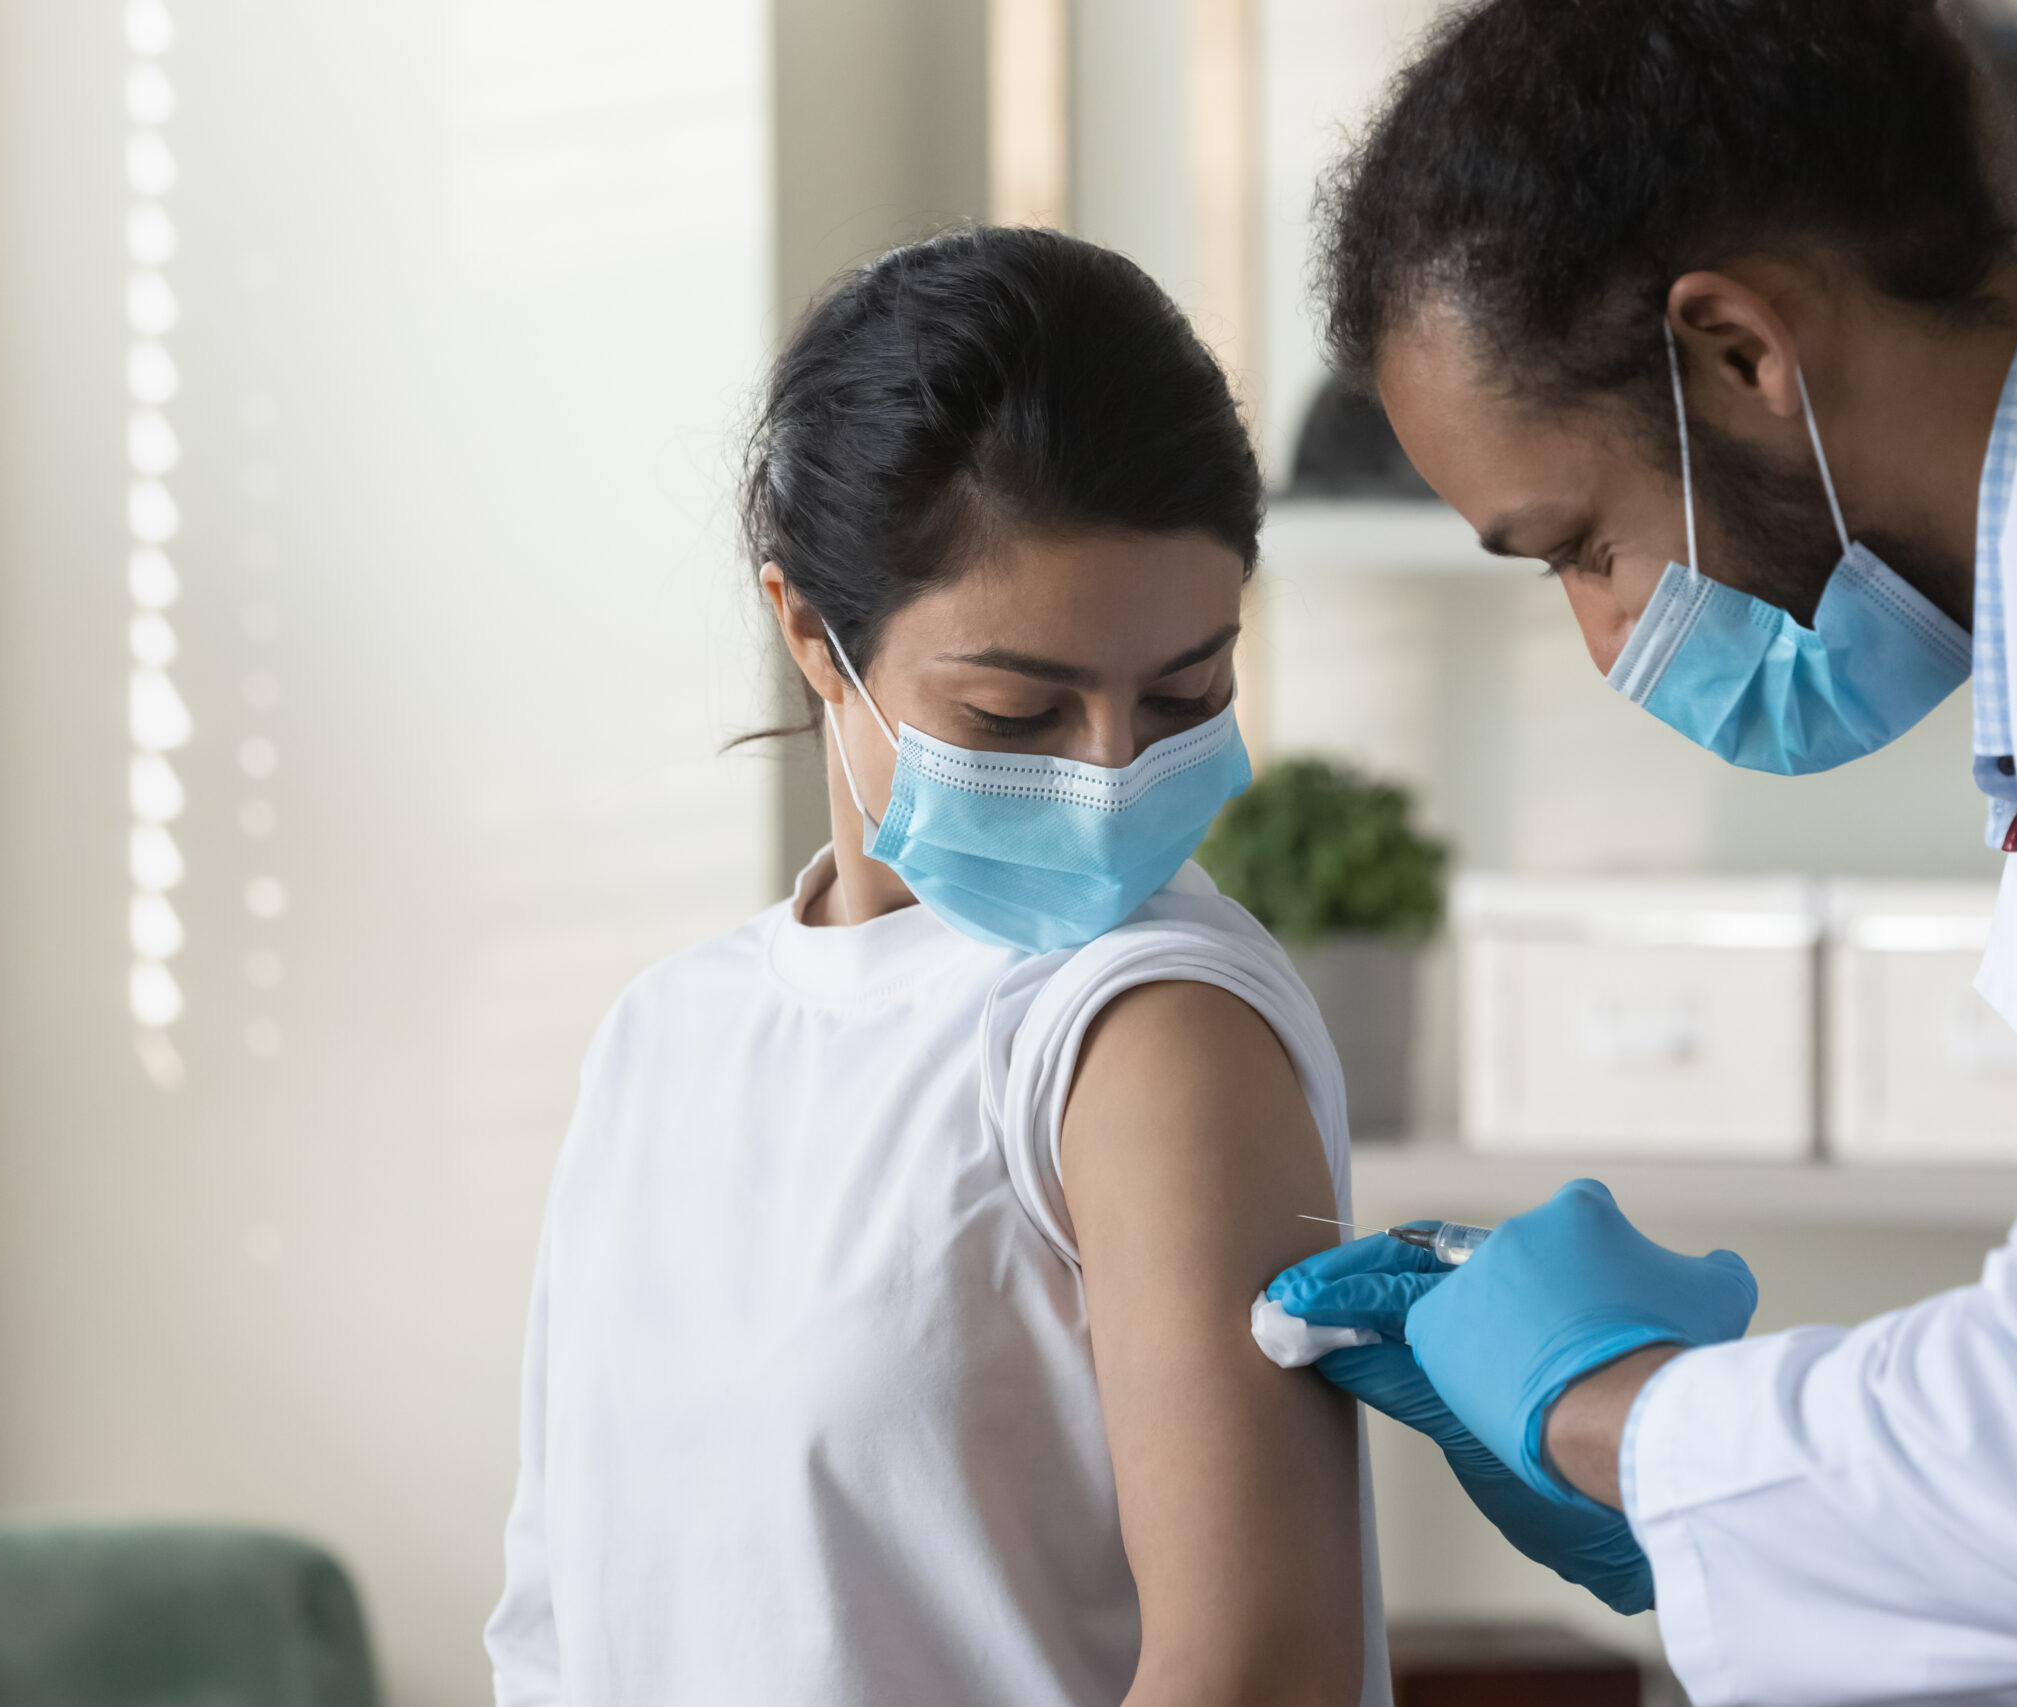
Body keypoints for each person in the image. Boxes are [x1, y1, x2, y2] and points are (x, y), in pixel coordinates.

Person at [1269, 2, 2017, 1703]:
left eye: (1580, 547)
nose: (1605, 637)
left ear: (1741, 357)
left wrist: (1609, 1412)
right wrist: (1770, 1521)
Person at [484, 226, 1388, 1707]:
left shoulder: (1146, 1029)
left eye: (1185, 692)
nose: (1110, 774)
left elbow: (1254, 1672)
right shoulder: (664, 1039)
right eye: (1016, 713)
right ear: (811, 635)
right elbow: (561, 1620)